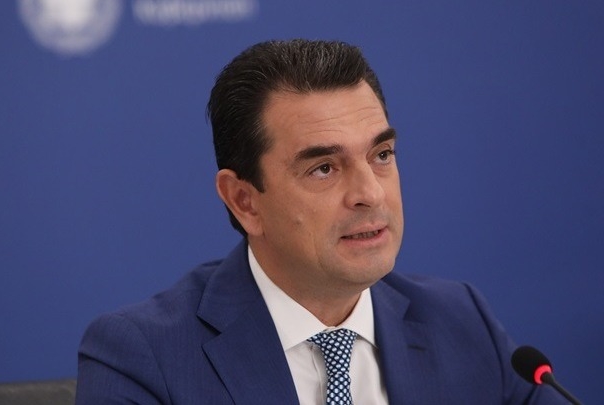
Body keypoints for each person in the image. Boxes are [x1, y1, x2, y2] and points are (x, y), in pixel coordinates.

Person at [76, 39, 564, 404]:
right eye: (324, 168)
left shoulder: (460, 321)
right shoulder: (144, 358)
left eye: (382, 155)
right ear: (244, 201)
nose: (370, 194)